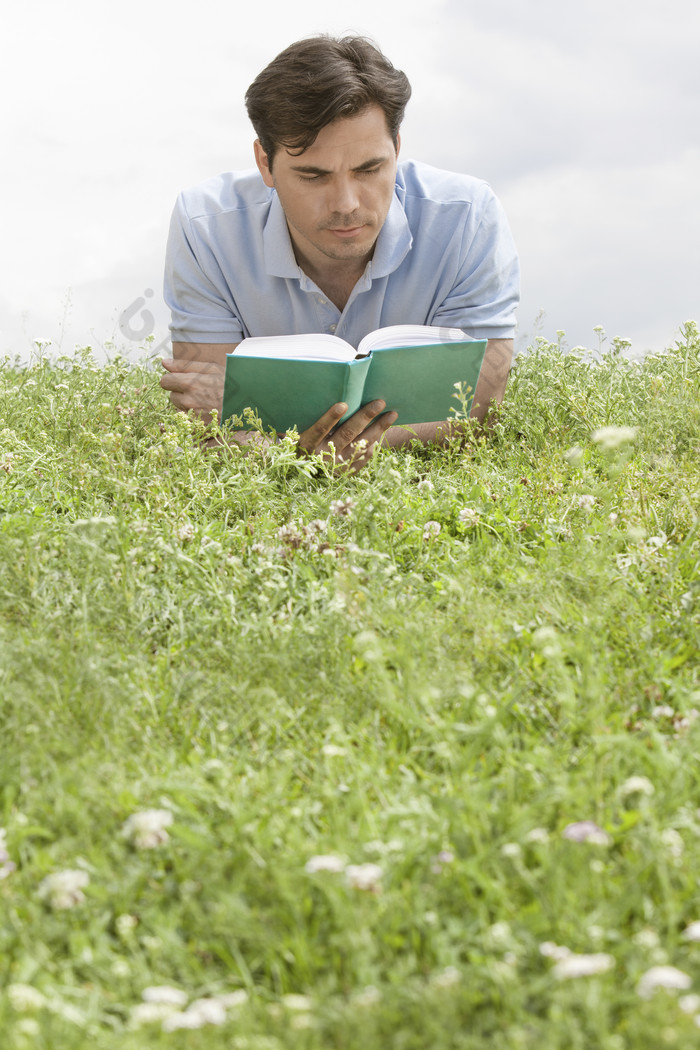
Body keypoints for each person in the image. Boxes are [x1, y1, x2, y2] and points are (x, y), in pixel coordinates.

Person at [160, 35, 519, 470]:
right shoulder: (206, 227)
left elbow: (481, 404)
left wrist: (308, 452)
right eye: (313, 176)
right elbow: (204, 413)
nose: (346, 202)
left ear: (397, 150)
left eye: (369, 169)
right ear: (264, 164)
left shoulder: (468, 218)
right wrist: (322, 452)